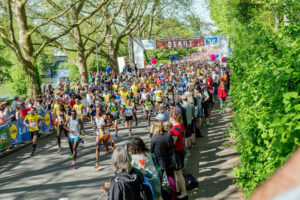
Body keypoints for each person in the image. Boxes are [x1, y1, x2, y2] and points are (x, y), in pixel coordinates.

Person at [150, 121, 177, 200]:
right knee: (171, 178)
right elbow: (171, 147)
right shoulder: (168, 135)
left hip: (158, 161)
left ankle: (161, 196)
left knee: (159, 180)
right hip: (168, 159)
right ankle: (174, 196)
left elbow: (151, 150)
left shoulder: (154, 137)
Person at [169, 111, 188, 199]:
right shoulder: (181, 126)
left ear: (172, 119)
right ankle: (178, 189)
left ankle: (184, 192)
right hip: (182, 150)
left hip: (176, 152)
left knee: (178, 173)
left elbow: (173, 143)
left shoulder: (173, 130)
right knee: (179, 172)